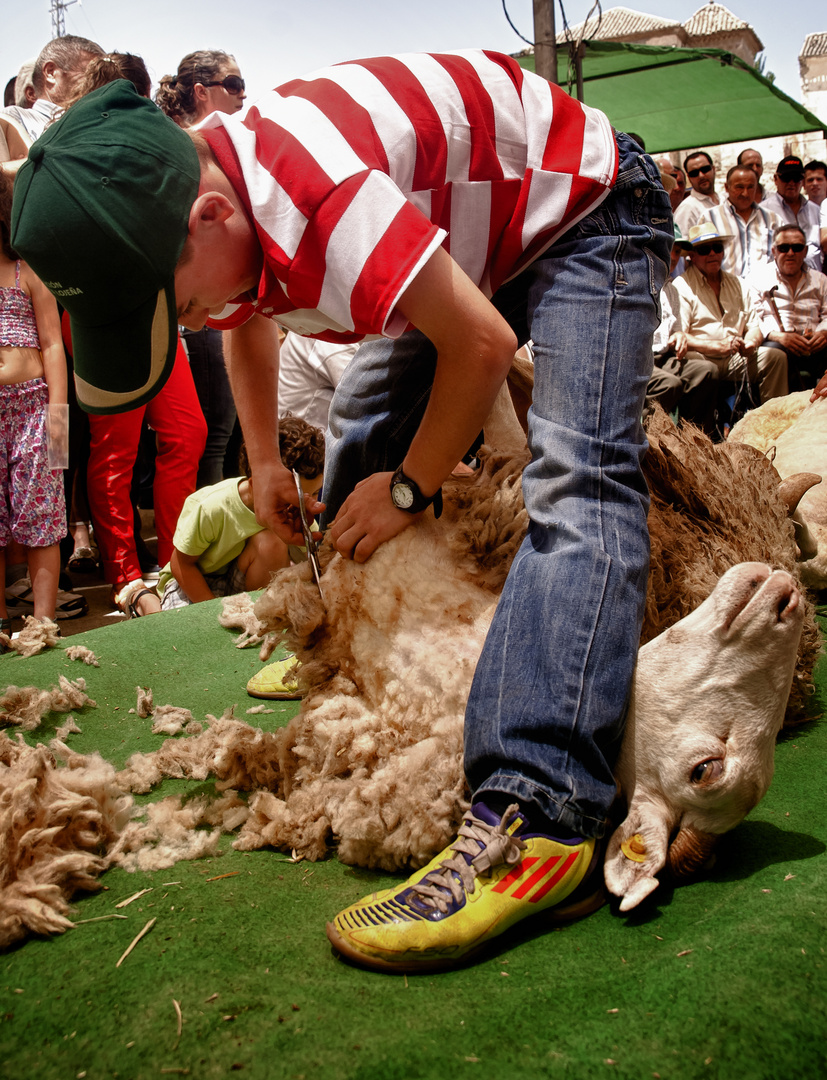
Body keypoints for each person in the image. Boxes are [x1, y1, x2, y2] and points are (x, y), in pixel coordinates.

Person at [12, 55, 672, 972]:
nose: (192, 318)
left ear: (211, 216)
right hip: (474, 241)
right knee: (362, 412)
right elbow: (240, 319)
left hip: (585, 213)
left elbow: (477, 343)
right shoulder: (210, 193)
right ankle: (351, 642)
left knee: (579, 475)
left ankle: (540, 812)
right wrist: (261, 463)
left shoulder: (316, 198)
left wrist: (408, 487)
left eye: (182, 300)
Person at [60, 54, 207, 619]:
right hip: (96, 311)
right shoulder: (66, 147)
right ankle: (125, 577)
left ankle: (173, 565)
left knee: (187, 432)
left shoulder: (153, 142)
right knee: (115, 448)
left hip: (155, 306)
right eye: (122, 90)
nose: (132, 101)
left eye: (137, 92)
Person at [156, 50, 247, 488]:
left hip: (220, 301)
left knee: (224, 434)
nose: (242, 94)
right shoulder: (186, 159)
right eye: (232, 84)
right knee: (213, 432)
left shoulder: (235, 150)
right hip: (206, 300)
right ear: (200, 91)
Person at [158, 415, 324, 611]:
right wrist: (212, 613)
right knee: (181, 632)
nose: (307, 504)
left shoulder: (300, 513)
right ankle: (141, 599)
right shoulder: (212, 507)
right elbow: (180, 565)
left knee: (271, 543)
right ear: (257, 482)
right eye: (293, 499)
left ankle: (259, 612)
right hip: (193, 582)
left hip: (235, 582)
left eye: (314, 493)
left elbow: (315, 566)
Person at [0, 170, 67, 638]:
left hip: (32, 410)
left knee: (41, 517)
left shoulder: (27, 270)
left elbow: (53, 345)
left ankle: (43, 622)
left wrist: (58, 418)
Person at [673, 222, 787, 408]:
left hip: (735, 357)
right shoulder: (682, 286)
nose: (712, 254)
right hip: (701, 357)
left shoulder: (737, 283)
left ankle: (774, 420)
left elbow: (754, 326)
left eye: (717, 248)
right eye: (704, 250)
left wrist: (751, 343)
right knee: (703, 368)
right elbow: (680, 336)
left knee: (775, 357)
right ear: (692, 256)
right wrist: (716, 347)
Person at [644, 229, 718, 434]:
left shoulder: (671, 289)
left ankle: (694, 438)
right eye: (670, 249)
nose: (674, 256)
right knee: (668, 384)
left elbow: (676, 331)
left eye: (677, 252)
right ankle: (648, 442)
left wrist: (679, 335)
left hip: (665, 356)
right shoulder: (639, 283)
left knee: (706, 371)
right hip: (641, 359)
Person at [0, 36, 103, 172]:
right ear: (51, 72)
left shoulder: (98, 120)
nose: (100, 84)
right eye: (92, 75)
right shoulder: (13, 119)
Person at [747, 224, 827, 390]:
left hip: (814, 345)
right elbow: (753, 318)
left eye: (797, 248)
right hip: (778, 345)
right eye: (784, 248)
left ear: (805, 252)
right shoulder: (758, 278)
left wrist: (823, 332)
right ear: (774, 251)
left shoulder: (821, 280)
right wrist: (776, 336)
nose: (790, 253)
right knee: (772, 353)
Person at [707, 165, 777, 279]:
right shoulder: (710, 218)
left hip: (765, 292)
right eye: (739, 187)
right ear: (726, 187)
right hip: (726, 291)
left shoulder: (773, 219)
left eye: (750, 187)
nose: (745, 193)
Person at [761, 155, 822, 271]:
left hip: (814, 281)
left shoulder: (816, 210)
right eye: (786, 178)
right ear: (775, 179)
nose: (792, 183)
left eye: (796, 178)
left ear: (802, 181)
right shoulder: (763, 211)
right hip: (779, 282)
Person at [674, 150, 719, 236]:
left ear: (713, 169)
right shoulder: (687, 208)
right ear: (689, 177)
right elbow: (682, 245)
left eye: (705, 169)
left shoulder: (725, 200)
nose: (701, 176)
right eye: (694, 173)